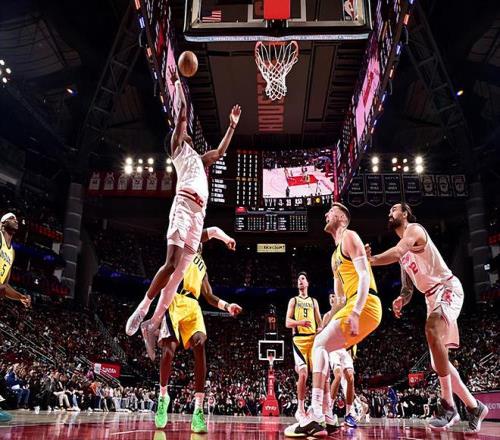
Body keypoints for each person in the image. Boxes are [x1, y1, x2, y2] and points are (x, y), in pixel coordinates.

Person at [125, 65, 241, 360]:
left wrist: (232, 126)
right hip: (184, 205)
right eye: (185, 132)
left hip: (199, 214)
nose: (187, 132)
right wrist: (180, 85)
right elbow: (182, 117)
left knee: (177, 277)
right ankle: (143, 308)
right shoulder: (178, 148)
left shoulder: (200, 159)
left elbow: (220, 152)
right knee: (170, 264)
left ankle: (152, 324)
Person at [366, 203, 488, 433]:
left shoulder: (414, 230)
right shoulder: (403, 253)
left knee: (432, 328)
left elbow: (397, 252)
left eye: (394, 210)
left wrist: (370, 260)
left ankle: (448, 405)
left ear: (405, 213)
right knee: (437, 363)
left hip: (446, 287)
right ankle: (474, 407)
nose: (389, 213)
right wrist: (401, 299)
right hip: (430, 298)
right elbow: (408, 288)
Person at [299, 203, 382, 436]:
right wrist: (326, 320)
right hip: (354, 305)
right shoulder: (334, 256)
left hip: (366, 304)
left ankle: (317, 413)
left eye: (331, 211)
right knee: (322, 346)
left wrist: (355, 312)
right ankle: (327, 415)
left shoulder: (350, 236)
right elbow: (340, 300)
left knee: (320, 345)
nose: (326, 214)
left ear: (342, 217)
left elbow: (364, 275)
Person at [154, 238, 242, 432]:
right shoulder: (181, 252)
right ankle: (162, 396)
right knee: (168, 351)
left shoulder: (202, 266)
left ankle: (198, 409)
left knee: (200, 343)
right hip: (174, 299)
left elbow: (209, 296)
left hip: (193, 306)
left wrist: (227, 306)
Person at [0, 213, 31, 423]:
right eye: (12, 218)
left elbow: (4, 286)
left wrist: (20, 297)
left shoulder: (11, 252)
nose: (16, 220)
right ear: (3, 223)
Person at [285, 272, 322, 423]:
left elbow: (319, 321)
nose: (300, 281)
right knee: (303, 374)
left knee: (318, 373)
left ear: (307, 283)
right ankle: (300, 409)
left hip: (313, 339)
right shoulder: (293, 300)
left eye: (303, 279)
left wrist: (320, 329)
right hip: (299, 340)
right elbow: (287, 322)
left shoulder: (313, 301)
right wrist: (300, 323)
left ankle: (317, 407)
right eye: (298, 279)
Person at [324, 292, 357, 428]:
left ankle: (349, 414)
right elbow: (321, 334)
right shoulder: (327, 316)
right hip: (333, 349)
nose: (332, 298)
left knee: (350, 378)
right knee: (337, 376)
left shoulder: (344, 313)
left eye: (334, 296)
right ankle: (329, 410)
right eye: (330, 296)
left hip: (344, 349)